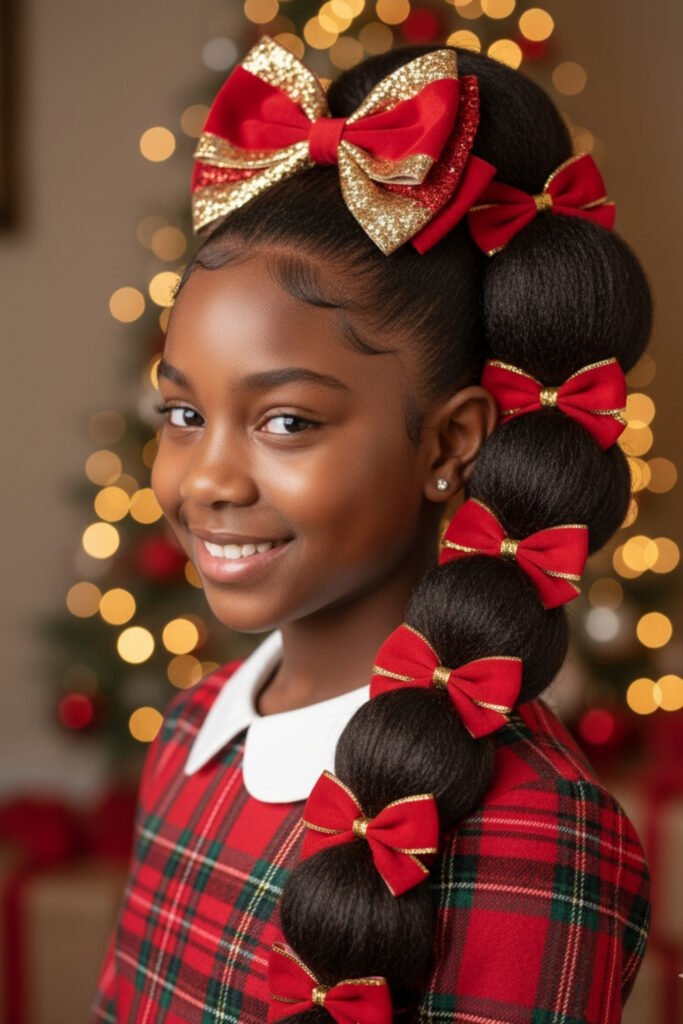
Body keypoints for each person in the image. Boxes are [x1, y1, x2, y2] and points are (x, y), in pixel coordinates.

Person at [91, 34, 651, 1024]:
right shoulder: (188, 731)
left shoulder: (532, 831)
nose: (208, 478)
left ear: (450, 444)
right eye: (182, 414)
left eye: (286, 422)